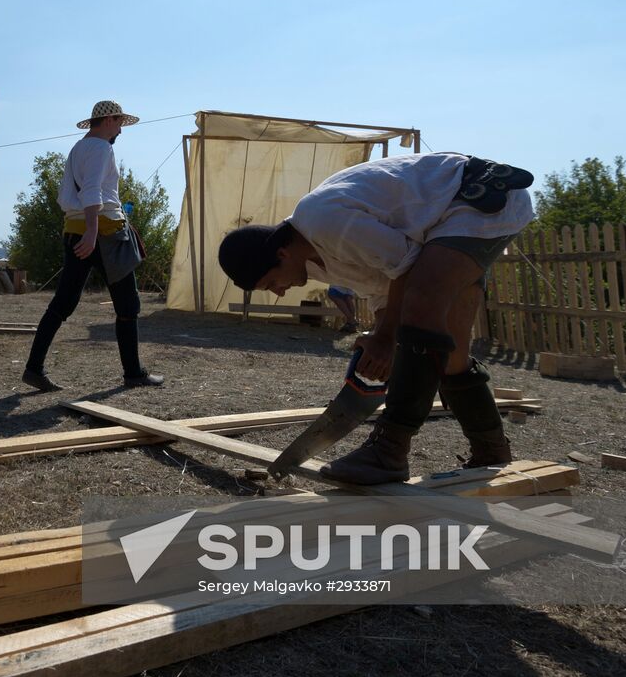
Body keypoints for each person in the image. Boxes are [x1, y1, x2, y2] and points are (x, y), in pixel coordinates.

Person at [217, 152, 534, 484]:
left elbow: (407, 266)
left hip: (476, 198)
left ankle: (389, 451)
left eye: (271, 283)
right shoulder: (316, 259)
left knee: (423, 301)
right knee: (451, 356)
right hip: (445, 223)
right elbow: (386, 290)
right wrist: (380, 338)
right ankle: (492, 451)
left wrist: (385, 338)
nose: (279, 292)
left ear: (281, 253)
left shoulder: (321, 221)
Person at [22, 100, 165, 393]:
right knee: (128, 304)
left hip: (75, 229)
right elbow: (92, 191)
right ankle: (133, 373)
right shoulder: (101, 147)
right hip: (103, 232)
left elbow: (70, 194)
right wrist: (92, 232)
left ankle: (33, 368)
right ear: (110, 120)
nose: (121, 131)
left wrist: (85, 231)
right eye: (120, 123)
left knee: (62, 303)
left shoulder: (78, 149)